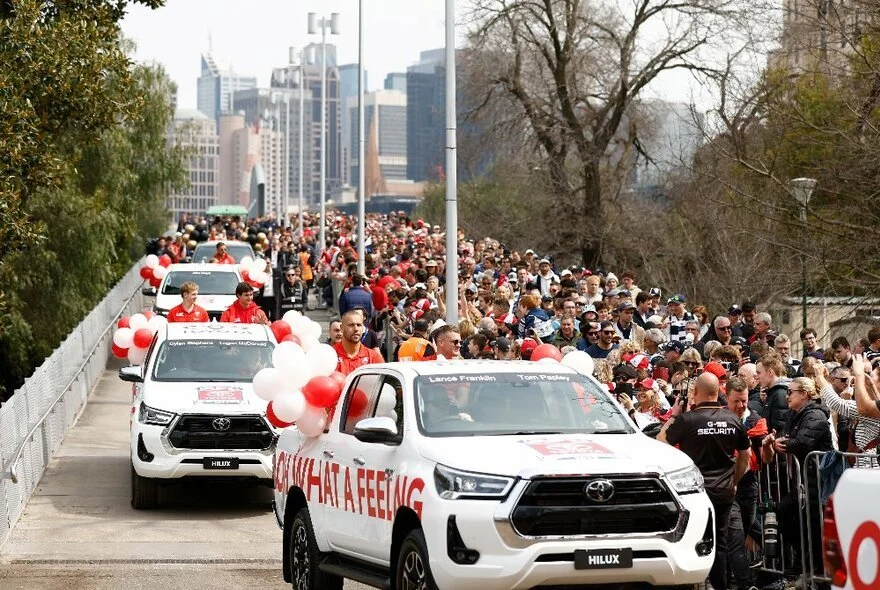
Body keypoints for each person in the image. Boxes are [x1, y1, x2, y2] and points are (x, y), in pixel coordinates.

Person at [658, 373, 751, 590]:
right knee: (720, 542)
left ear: (696, 393)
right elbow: (745, 455)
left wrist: (674, 415)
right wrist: (734, 480)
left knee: (692, 539)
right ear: (718, 393)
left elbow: (661, 442)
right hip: (723, 492)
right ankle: (721, 586)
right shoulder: (733, 419)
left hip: (695, 494)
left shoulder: (686, 420)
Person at [725, 376, 768, 590]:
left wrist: (767, 446)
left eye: (744, 400)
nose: (742, 406)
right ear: (727, 398)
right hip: (726, 486)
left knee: (744, 532)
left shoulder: (756, 420)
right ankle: (744, 583)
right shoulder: (719, 420)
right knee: (735, 537)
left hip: (748, 486)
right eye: (737, 401)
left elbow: (763, 458)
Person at [333, 309, 384, 376]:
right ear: (342, 328)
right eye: (351, 325)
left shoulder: (374, 357)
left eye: (359, 325)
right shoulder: (330, 355)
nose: (356, 329)